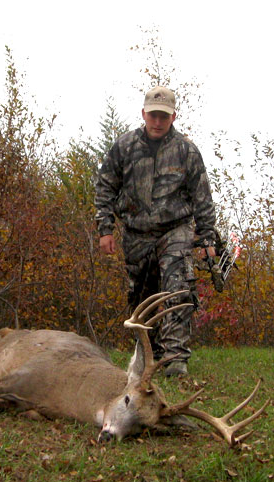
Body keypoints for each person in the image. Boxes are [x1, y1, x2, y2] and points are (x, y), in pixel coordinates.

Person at [93, 86, 218, 377]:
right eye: (153, 115)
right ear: (143, 113)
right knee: (142, 296)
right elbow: (105, 187)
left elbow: (202, 197)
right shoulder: (124, 147)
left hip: (175, 230)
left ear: (173, 116)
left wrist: (208, 237)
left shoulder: (187, 151)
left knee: (177, 286)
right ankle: (151, 355)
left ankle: (175, 359)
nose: (157, 122)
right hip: (136, 232)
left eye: (163, 116)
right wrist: (105, 229)